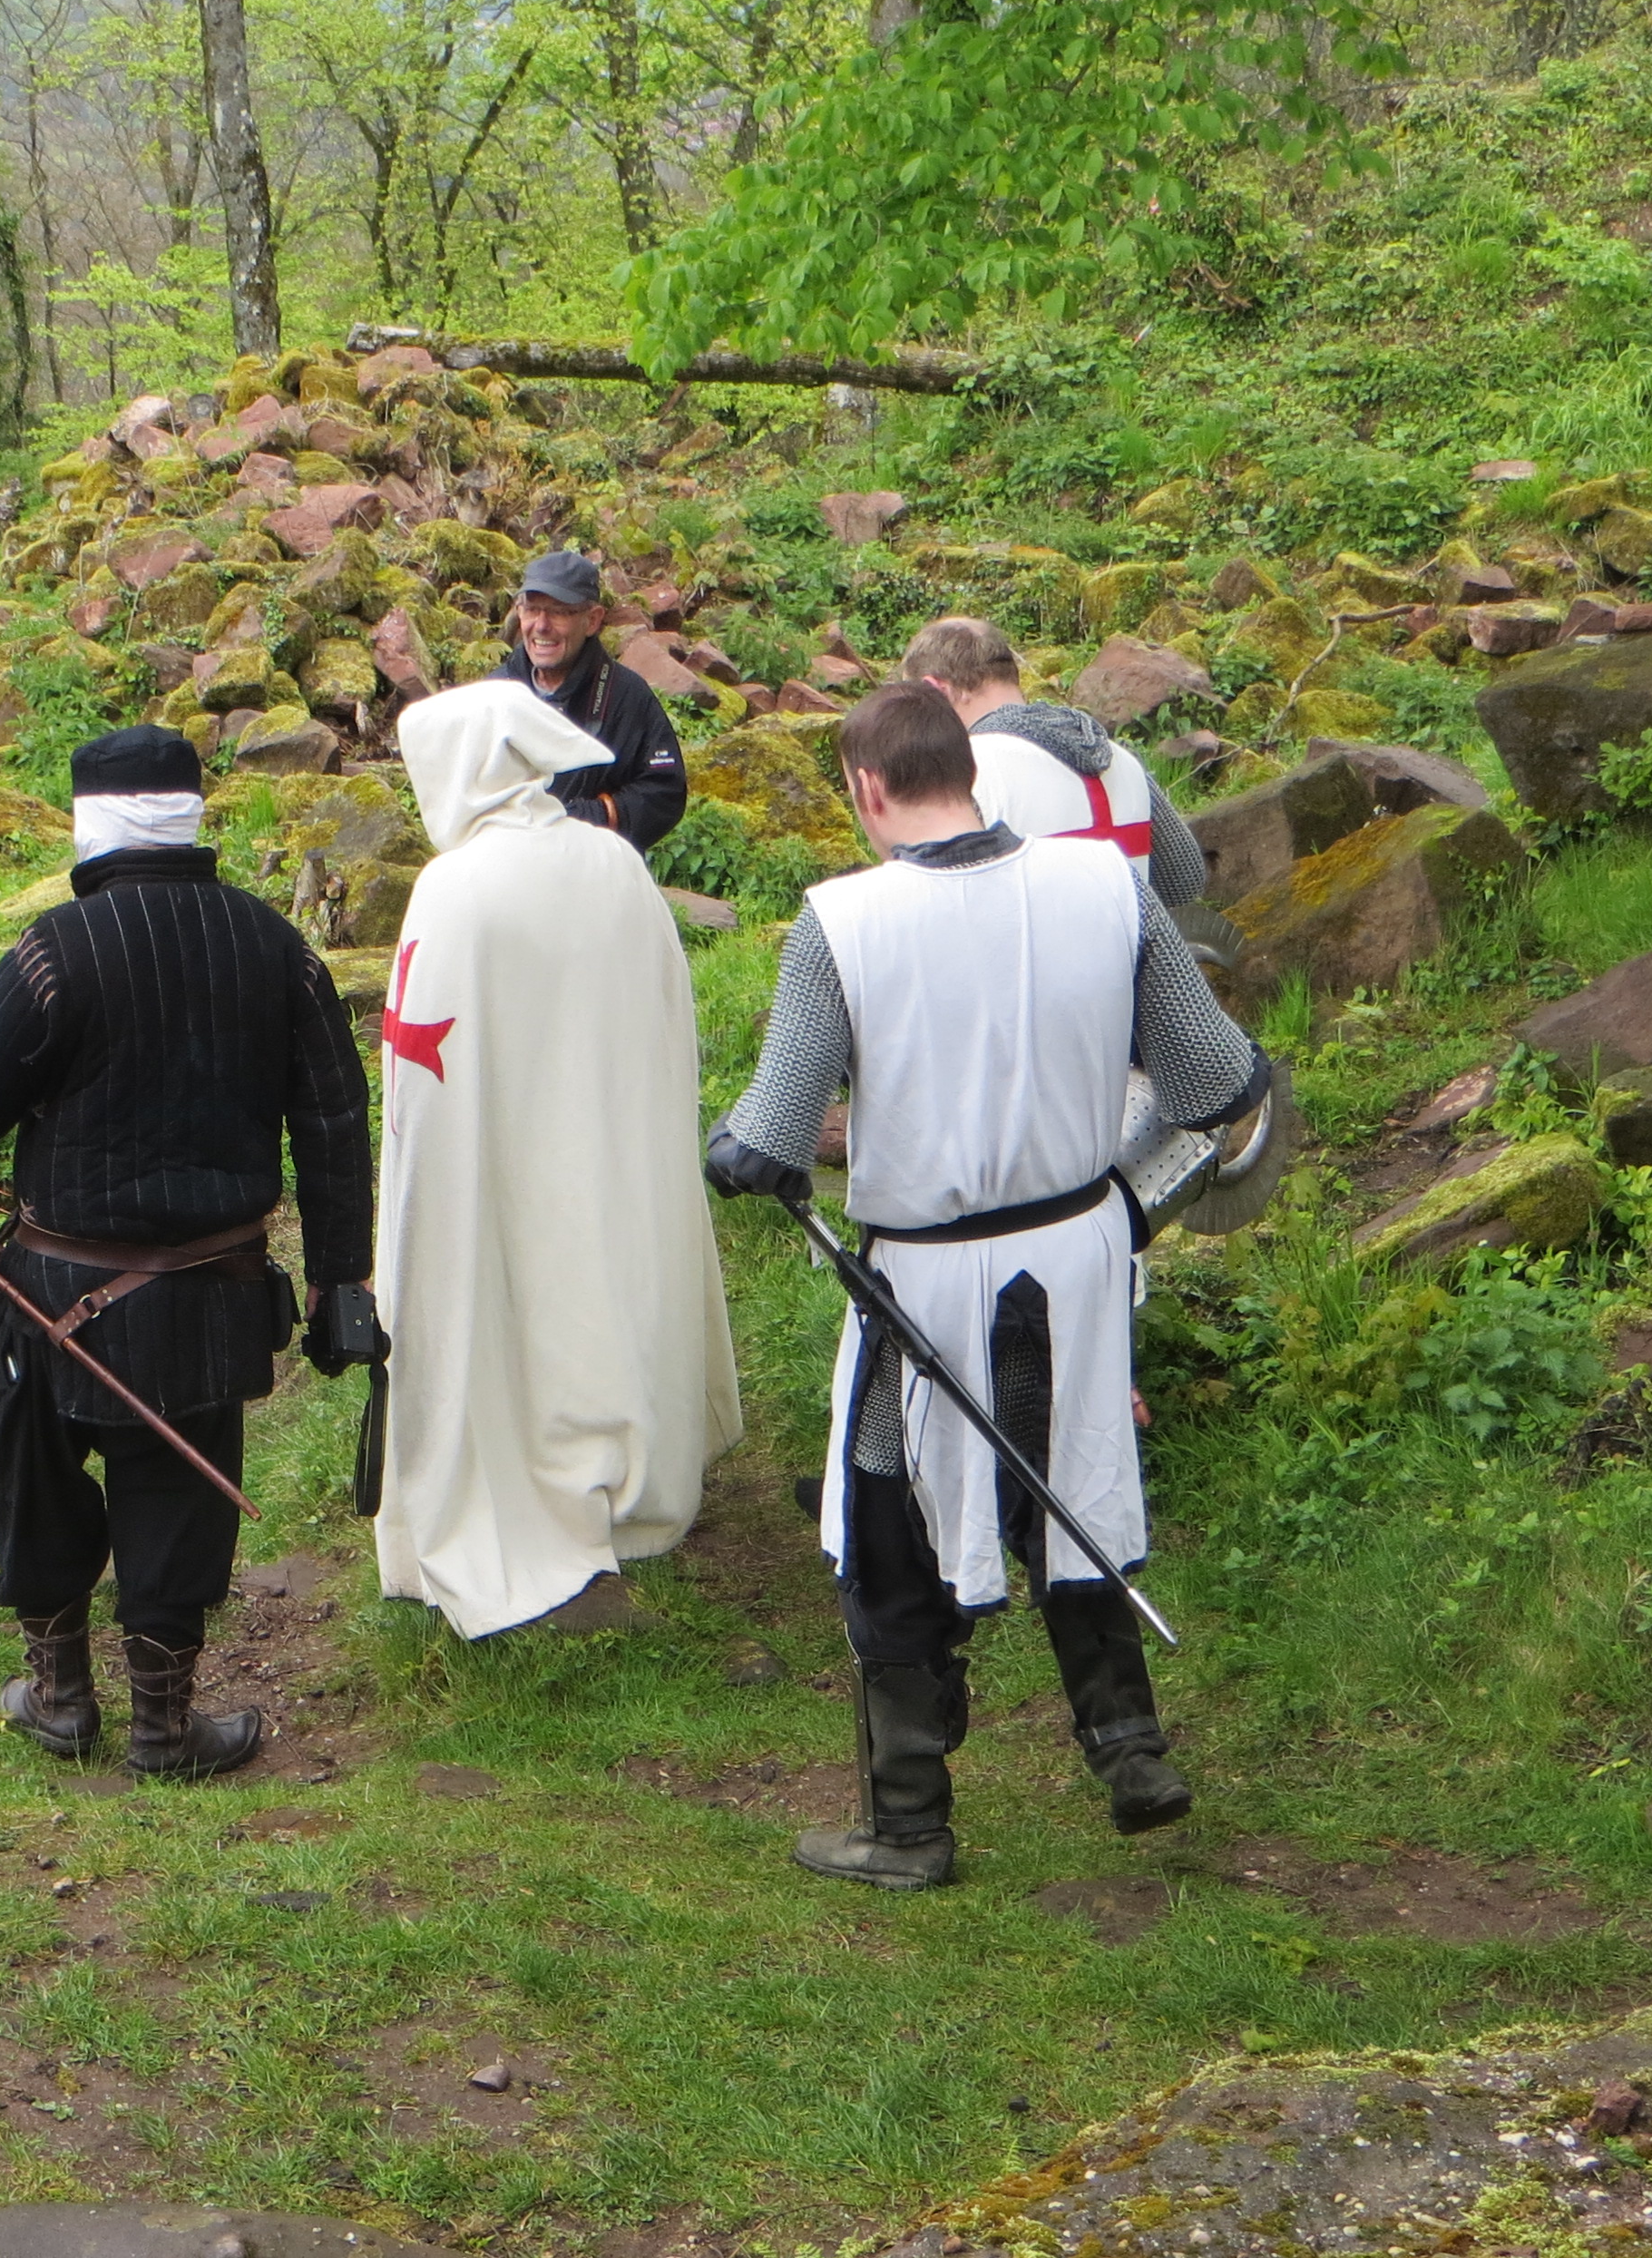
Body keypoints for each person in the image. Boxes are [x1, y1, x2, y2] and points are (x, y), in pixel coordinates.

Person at [701, 681, 1268, 1891]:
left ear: (867, 789)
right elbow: (1219, 1082)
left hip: (926, 1286)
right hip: (1080, 1261)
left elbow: (771, 1136)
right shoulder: (1104, 886)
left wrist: (734, 1148)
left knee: (888, 1518)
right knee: (1070, 1481)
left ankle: (908, 1824)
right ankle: (1128, 1748)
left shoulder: (841, 922)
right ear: (968, 770)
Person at [0, 726, 379, 1780]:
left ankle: (63, 1699)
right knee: (175, 1497)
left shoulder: (56, 952)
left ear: (89, 827)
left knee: (33, 1477)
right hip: (205, 1297)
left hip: (48, 1289)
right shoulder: (274, 947)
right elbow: (333, 1119)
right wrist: (342, 1282)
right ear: (190, 822)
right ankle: (161, 1726)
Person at [373, 680, 740, 1637]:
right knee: (606, 1292)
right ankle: (631, 1472)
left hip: (503, 1149)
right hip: (611, 1139)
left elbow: (421, 1065)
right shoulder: (613, 862)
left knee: (520, 1305)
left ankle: (529, 1479)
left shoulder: (454, 886)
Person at [901, 615, 1207, 905]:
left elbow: (934, 905)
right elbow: (1184, 880)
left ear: (935, 690)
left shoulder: (964, 771)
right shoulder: (1121, 758)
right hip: (1132, 943)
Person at [481, 549, 688, 852]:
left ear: (592, 620)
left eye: (559, 612)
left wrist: (590, 816)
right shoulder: (494, 691)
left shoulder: (626, 695)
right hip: (508, 860)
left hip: (593, 864)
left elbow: (664, 791)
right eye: (532, 610)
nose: (541, 625)